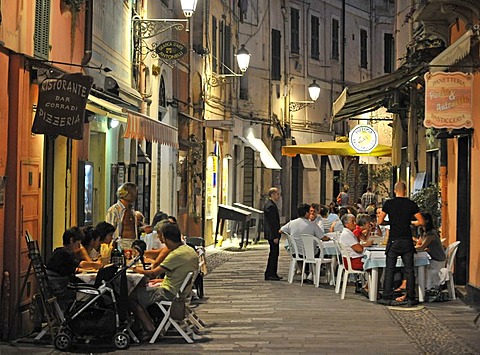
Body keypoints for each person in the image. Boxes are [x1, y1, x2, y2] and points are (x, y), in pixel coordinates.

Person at [129, 223, 199, 338]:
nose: (163, 243)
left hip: (169, 293)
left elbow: (153, 273)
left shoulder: (176, 254)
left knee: (131, 296)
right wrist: (160, 281)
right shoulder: (189, 250)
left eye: (164, 240)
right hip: (179, 291)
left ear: (167, 239)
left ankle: (149, 328)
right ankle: (143, 326)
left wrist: (134, 268)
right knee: (141, 290)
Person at [377, 181, 425, 307]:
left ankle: (386, 296)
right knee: (409, 270)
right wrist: (410, 223)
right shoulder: (411, 204)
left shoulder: (389, 203)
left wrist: (390, 223)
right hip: (407, 240)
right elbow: (421, 221)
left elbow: (380, 220)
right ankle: (410, 296)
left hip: (394, 240)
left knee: (390, 269)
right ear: (405, 190)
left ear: (394, 191)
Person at [46, 227, 100, 308]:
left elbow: (73, 268)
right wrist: (96, 265)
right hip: (62, 288)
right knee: (93, 292)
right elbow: (80, 264)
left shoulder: (59, 252)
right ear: (72, 240)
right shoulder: (65, 253)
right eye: (78, 244)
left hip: (55, 286)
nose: (79, 247)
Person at [106, 182, 138, 250]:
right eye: (134, 192)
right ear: (127, 193)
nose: (136, 194)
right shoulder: (114, 210)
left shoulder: (132, 210)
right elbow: (109, 229)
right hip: (120, 244)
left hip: (133, 244)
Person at [263, 187, 282, 281]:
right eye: (277, 194)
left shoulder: (271, 205)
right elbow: (272, 223)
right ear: (273, 195)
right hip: (272, 234)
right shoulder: (270, 206)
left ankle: (273, 273)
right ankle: (270, 273)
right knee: (274, 253)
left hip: (273, 234)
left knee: (275, 253)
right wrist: (275, 236)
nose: (279, 196)